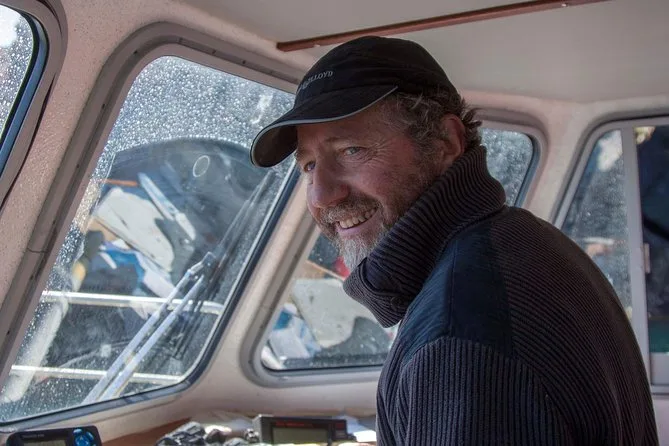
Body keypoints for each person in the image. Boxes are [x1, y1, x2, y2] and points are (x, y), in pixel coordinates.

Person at [250, 36, 658, 445]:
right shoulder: (527, 242)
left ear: (444, 142)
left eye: (351, 150)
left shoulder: (459, 331)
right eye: (309, 166)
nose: (322, 195)